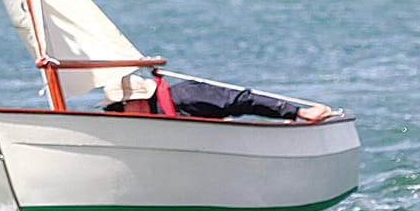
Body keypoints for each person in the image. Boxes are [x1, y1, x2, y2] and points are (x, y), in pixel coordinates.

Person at [102, 72, 334, 122]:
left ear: (137, 102)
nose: (116, 115)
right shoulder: (143, 121)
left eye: (117, 109)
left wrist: (297, 112)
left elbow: (242, 100)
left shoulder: (189, 95)